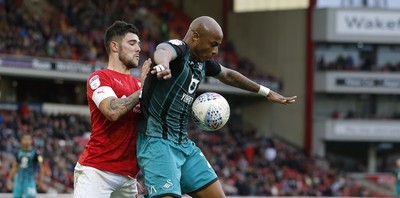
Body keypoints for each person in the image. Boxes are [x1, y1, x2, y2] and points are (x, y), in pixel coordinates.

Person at [138, 16, 297, 198]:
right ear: (196, 36)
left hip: (183, 144)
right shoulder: (180, 50)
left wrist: (266, 92)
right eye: (213, 44)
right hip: (157, 141)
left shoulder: (202, 63)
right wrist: (164, 65)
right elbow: (163, 50)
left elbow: (228, 75)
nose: (216, 51)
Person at [74, 20, 151, 198]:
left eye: (139, 44)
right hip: (97, 171)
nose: (138, 48)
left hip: (129, 177)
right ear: (114, 46)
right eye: (132, 43)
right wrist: (143, 91)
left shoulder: (140, 84)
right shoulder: (100, 78)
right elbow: (112, 111)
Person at [7, 134, 44, 198]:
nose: (26, 141)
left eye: (28, 139)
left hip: (29, 181)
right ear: (21, 141)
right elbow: (15, 166)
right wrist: (9, 179)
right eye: (24, 139)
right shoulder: (18, 152)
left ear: (31, 141)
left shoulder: (36, 154)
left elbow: (41, 167)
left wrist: (40, 181)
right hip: (19, 180)